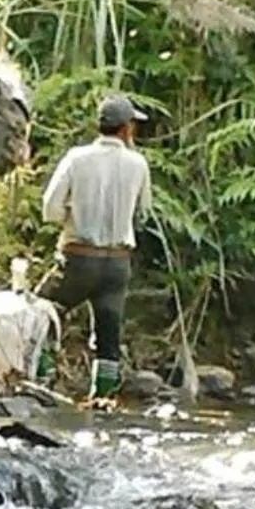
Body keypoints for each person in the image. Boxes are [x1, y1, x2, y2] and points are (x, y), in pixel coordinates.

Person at [39, 93, 154, 404]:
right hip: (117, 264)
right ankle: (102, 400)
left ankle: (37, 383)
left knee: (42, 312)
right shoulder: (138, 164)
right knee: (109, 333)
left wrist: (71, 220)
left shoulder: (76, 159)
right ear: (127, 128)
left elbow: (49, 209)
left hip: (78, 258)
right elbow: (144, 210)